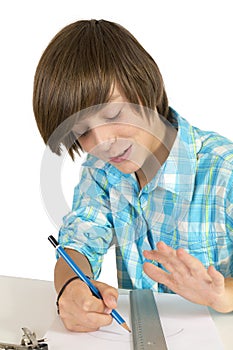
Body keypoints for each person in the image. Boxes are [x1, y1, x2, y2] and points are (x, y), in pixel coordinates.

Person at [33, 19, 233, 332]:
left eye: (113, 114)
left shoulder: (224, 170)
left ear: (146, 87)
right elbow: (79, 244)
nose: (102, 143)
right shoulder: (102, 171)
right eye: (81, 132)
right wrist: (70, 287)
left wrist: (221, 295)